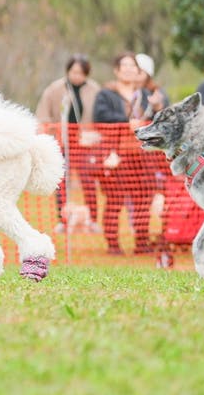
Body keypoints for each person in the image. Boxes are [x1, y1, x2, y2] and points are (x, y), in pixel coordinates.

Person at [92, 52, 153, 255]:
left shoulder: (144, 95)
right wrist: (125, 122)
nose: (128, 69)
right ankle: (113, 244)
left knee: (143, 199)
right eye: (124, 66)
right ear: (117, 70)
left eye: (132, 66)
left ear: (138, 71)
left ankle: (142, 242)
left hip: (141, 155)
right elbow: (100, 116)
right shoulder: (106, 94)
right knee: (114, 200)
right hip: (116, 155)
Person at [36, 55, 101, 231]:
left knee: (88, 180)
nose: (77, 76)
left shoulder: (94, 89)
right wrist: (50, 132)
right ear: (68, 71)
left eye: (81, 72)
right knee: (61, 181)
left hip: (85, 143)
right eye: (74, 71)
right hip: (61, 141)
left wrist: (95, 134)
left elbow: (100, 115)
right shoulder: (55, 89)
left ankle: (92, 219)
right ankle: (63, 220)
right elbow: (43, 114)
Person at [134, 52, 169, 118]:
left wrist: (158, 108)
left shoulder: (157, 92)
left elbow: (167, 117)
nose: (134, 73)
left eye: (139, 71)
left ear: (147, 75)